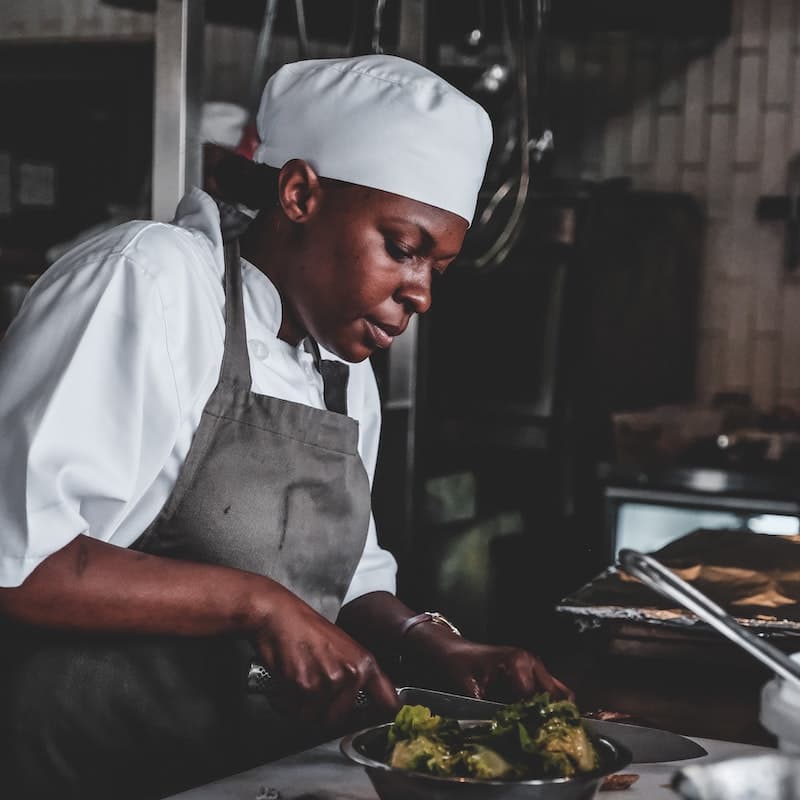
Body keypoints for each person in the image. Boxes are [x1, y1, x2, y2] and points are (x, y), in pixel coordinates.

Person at [0, 55, 570, 800]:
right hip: (86, 772)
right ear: (300, 193)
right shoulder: (156, 282)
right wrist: (254, 602)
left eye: (439, 267)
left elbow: (346, 573)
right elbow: (18, 559)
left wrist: (428, 641)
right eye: (402, 248)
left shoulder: (342, 371)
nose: (422, 293)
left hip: (243, 777)